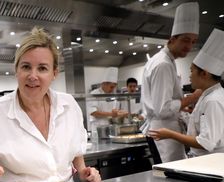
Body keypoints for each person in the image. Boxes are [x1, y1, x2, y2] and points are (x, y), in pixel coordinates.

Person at [0, 27, 101, 182]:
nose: (33, 76)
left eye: (42, 68)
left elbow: (76, 151)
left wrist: (84, 172)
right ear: (16, 70)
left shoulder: (69, 105)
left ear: (54, 73)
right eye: (26, 67)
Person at [141, 2, 202, 162]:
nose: (189, 46)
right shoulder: (163, 64)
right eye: (186, 40)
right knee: (168, 181)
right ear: (172, 39)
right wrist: (192, 98)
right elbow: (163, 109)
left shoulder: (167, 61)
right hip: (163, 133)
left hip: (164, 130)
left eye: (193, 41)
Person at [149, 28, 224, 157]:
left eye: (191, 71)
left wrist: (170, 134)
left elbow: (206, 143)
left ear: (204, 74)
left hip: (209, 164)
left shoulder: (212, 100)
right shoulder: (210, 95)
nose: (189, 77)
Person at [89, 67, 128, 131]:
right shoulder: (94, 94)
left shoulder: (113, 94)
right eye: (111, 87)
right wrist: (111, 114)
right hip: (98, 128)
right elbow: (93, 112)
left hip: (112, 127)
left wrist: (122, 113)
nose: (112, 89)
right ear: (104, 84)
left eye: (114, 87)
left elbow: (115, 110)